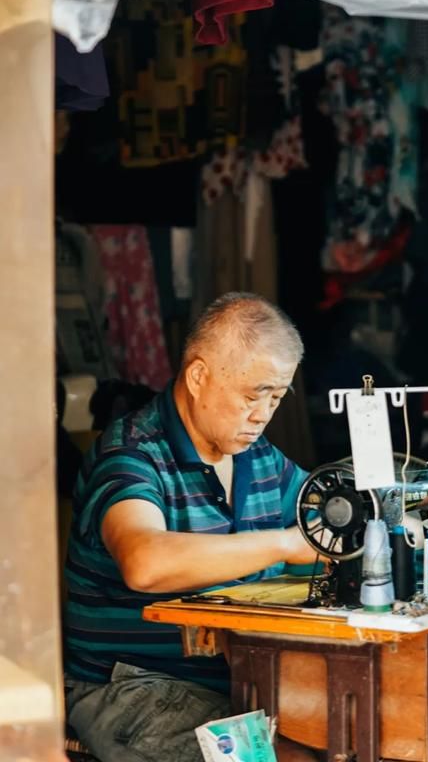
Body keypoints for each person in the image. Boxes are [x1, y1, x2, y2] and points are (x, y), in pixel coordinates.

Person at [64, 292, 323, 762]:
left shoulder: (258, 458)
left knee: (358, 735)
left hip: (235, 681)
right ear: (200, 376)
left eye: (277, 397)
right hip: (132, 686)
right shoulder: (131, 455)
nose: (263, 414)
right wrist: (285, 544)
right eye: (252, 394)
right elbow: (145, 563)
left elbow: (328, 516)